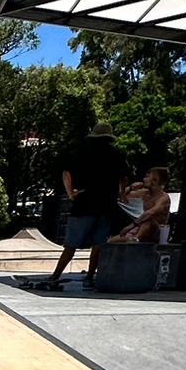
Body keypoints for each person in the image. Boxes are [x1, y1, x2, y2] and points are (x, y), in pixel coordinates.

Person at [35, 123, 129, 289]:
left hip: (84, 203)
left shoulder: (82, 152)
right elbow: (124, 177)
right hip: (106, 205)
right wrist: (121, 193)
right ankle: (90, 277)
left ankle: (56, 275)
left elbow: (66, 173)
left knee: (71, 245)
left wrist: (70, 192)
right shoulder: (117, 154)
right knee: (98, 244)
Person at [112, 167, 172, 245]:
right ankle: (133, 238)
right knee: (111, 241)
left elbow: (151, 213)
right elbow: (120, 197)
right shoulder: (145, 193)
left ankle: (136, 240)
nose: (144, 179)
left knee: (148, 219)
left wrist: (131, 226)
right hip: (140, 227)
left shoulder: (163, 198)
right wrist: (131, 188)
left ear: (155, 180)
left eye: (147, 177)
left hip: (157, 231)